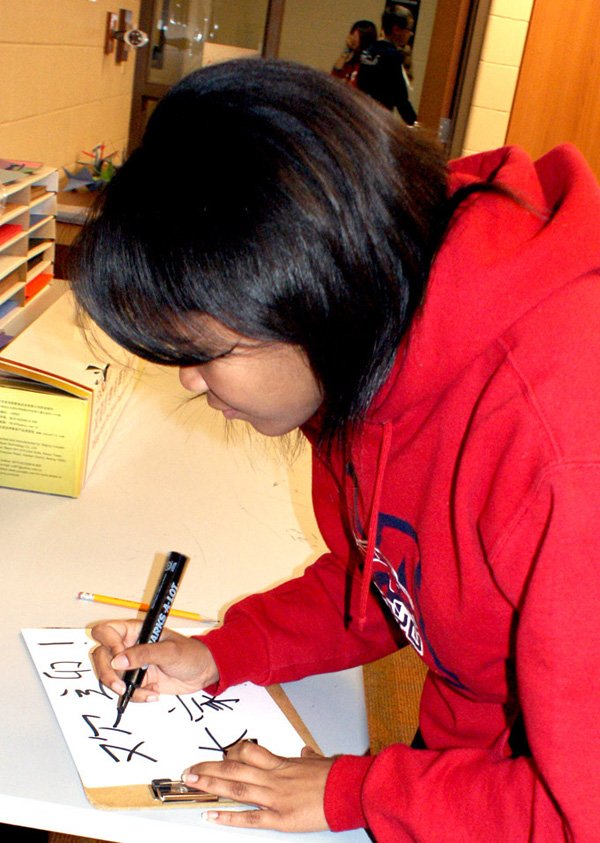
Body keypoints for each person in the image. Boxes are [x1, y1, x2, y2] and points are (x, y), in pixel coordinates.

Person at [71, 58, 600, 841]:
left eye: (204, 350)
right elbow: (399, 573)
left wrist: (360, 793)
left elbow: (579, 809)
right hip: (469, 763)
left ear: (310, 294)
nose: (189, 382)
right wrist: (221, 652)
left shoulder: (563, 450)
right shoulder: (383, 309)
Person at [357, 2, 416, 124]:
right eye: (409, 29)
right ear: (396, 30)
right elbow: (400, 97)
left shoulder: (367, 52)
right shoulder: (392, 56)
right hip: (380, 118)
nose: (411, 33)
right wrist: (413, 122)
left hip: (362, 113)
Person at [331, 19, 378, 87]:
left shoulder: (369, 64)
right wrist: (347, 50)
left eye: (354, 35)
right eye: (352, 33)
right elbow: (334, 75)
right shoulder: (350, 61)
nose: (351, 38)